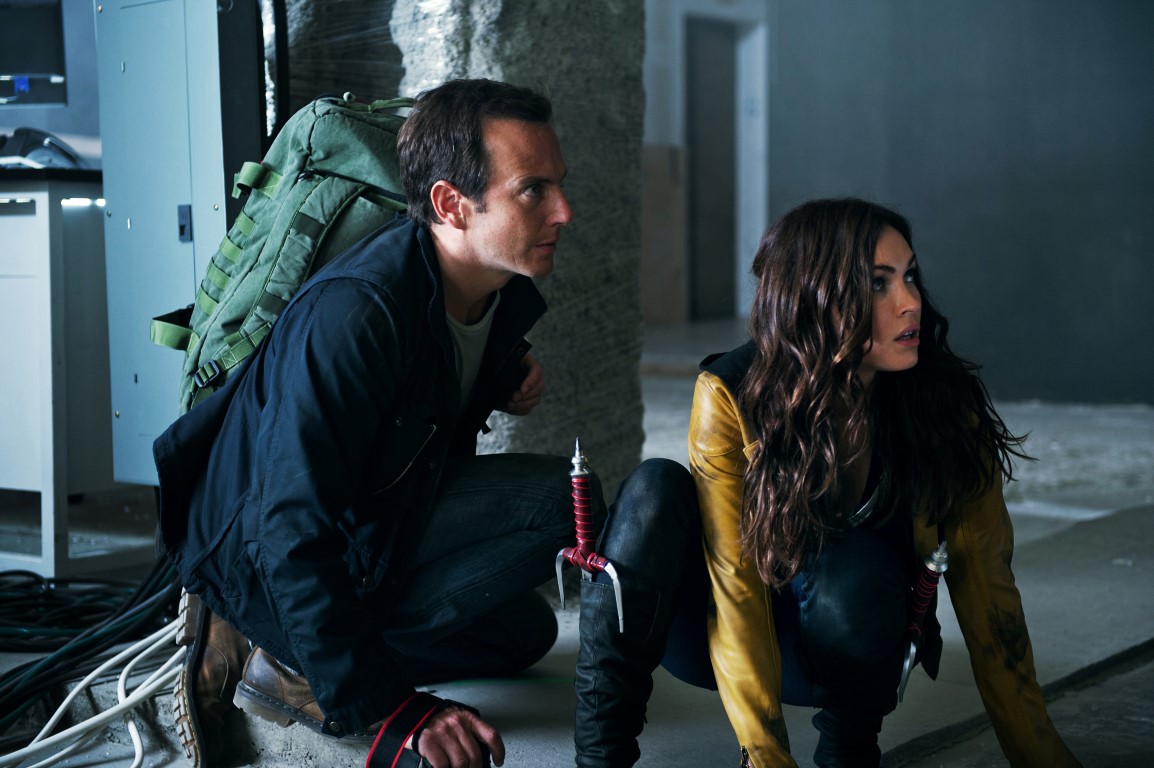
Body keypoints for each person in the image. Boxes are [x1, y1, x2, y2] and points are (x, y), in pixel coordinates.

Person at [154, 77, 636, 768]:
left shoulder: (492, 289)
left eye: (560, 184)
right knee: (562, 503)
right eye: (533, 190)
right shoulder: (356, 314)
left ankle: (312, 651)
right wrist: (388, 706)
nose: (564, 210)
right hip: (267, 557)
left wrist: (498, 374)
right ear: (450, 204)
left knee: (523, 634)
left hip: (375, 520)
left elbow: (417, 413)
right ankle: (290, 660)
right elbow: (288, 527)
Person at [682, 198, 1082, 767]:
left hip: (861, 634)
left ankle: (849, 748)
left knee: (857, 571)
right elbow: (736, 586)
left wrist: (1043, 759)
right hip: (736, 641)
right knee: (651, 494)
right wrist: (767, 757)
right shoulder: (732, 393)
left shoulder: (944, 404)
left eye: (909, 276)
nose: (910, 301)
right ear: (813, 298)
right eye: (878, 284)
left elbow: (988, 590)